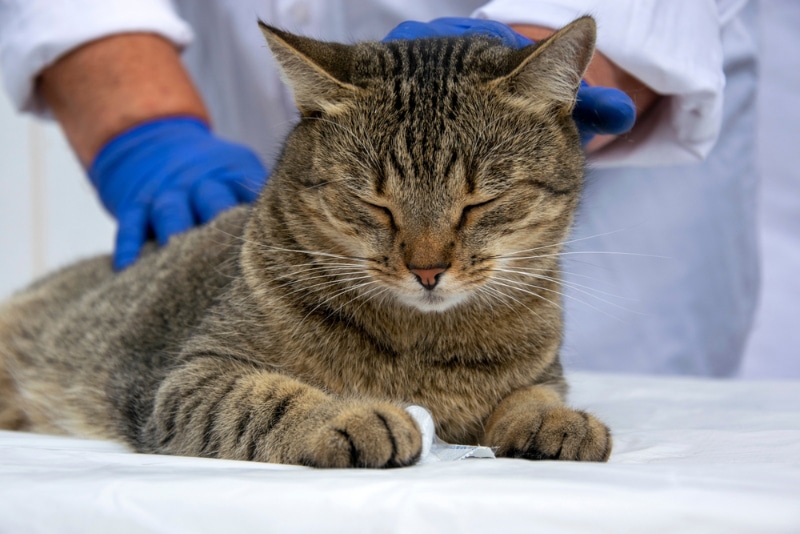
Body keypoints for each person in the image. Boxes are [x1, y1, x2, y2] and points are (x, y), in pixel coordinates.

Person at [0, 1, 758, 377]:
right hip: (316, 213)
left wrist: (524, 74)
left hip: (597, 221)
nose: (427, 258)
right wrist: (147, 135)